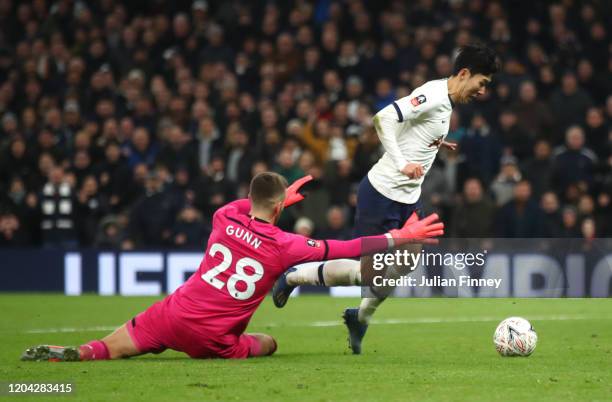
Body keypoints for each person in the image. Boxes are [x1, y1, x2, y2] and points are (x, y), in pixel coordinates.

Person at [21, 173, 443, 361]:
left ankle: (82, 352)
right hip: (213, 339)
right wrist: (398, 237)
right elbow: (347, 247)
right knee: (268, 343)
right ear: (280, 207)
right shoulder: (285, 246)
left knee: (113, 345)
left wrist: (277, 199)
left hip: (173, 315)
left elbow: (249, 204)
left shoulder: (224, 215)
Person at [273, 43, 499, 354]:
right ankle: (296, 275)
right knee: (366, 274)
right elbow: (383, 119)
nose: (482, 91)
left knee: (406, 262)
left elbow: (411, 125)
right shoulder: (433, 95)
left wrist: (434, 142)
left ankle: (359, 317)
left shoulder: (444, 102)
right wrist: (401, 162)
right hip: (380, 194)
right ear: (464, 73)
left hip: (408, 199)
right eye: (482, 83)